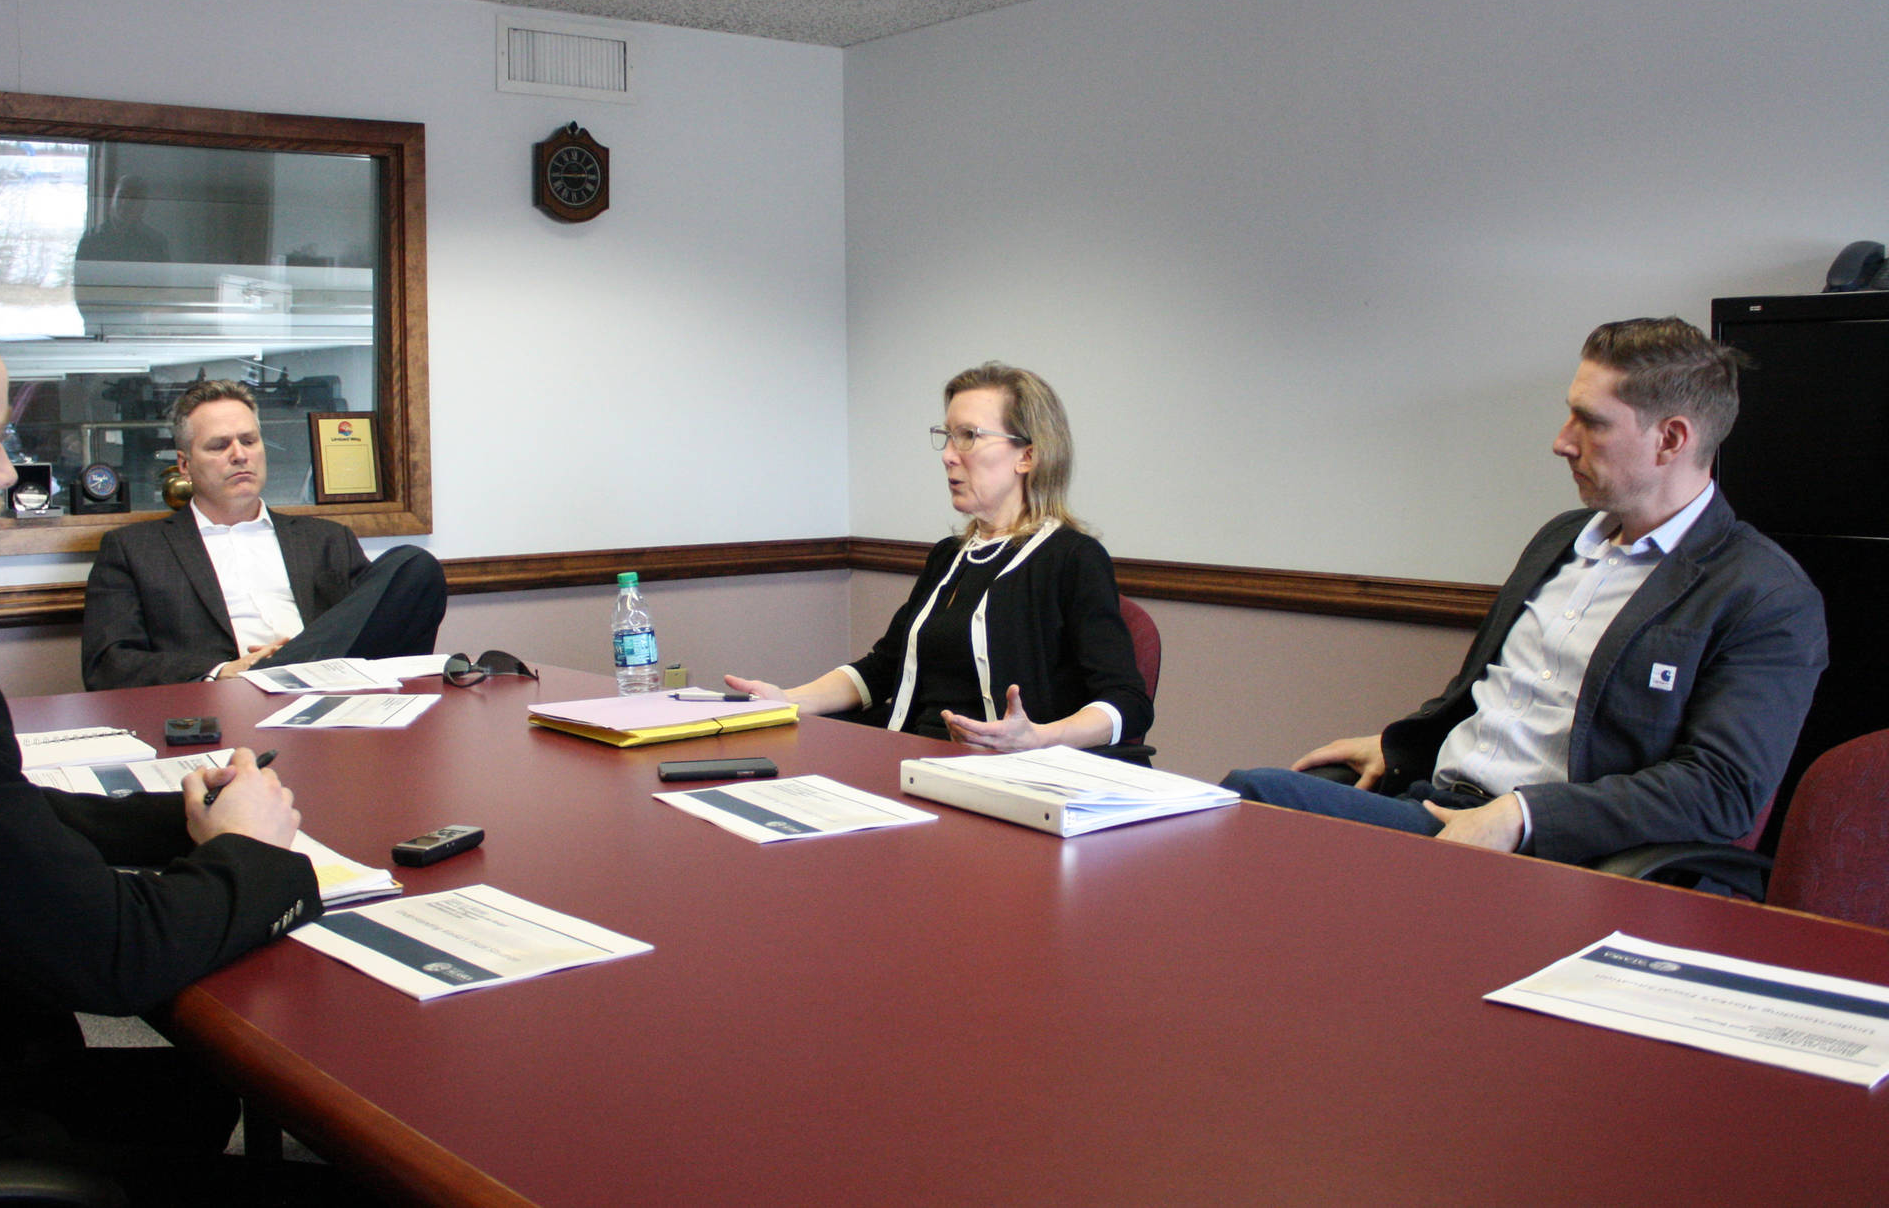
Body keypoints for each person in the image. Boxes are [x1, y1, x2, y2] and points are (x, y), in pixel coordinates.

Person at [0, 279, 323, 1195]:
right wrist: (252, 856)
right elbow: (115, 957)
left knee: (194, 1083)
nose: (5, 474)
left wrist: (170, 820)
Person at [1222, 317, 1828, 865]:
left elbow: (1723, 791)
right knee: (1229, 813)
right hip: (1436, 801)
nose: (1562, 441)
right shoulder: (1561, 539)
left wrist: (1523, 816)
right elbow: (1491, 697)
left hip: (1553, 853)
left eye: (1591, 422)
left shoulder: (1762, 594)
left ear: (1671, 440)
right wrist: (1398, 744)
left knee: (1245, 801)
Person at [727, 362, 1151, 752]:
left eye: (969, 436)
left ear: (1028, 455)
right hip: (907, 760)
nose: (949, 454)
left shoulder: (1072, 558)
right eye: (947, 436)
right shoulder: (950, 557)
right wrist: (788, 700)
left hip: (1001, 781)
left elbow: (1127, 702)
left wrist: (1039, 738)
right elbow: (882, 668)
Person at [81, 379, 446, 689]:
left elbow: (363, 628)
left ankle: (288, 668)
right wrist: (223, 672)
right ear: (184, 464)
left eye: (249, 441)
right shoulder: (135, 549)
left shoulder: (325, 539)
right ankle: (276, 673)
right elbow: (107, 665)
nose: (240, 455)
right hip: (229, 701)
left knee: (413, 564)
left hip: (333, 691)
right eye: (219, 445)